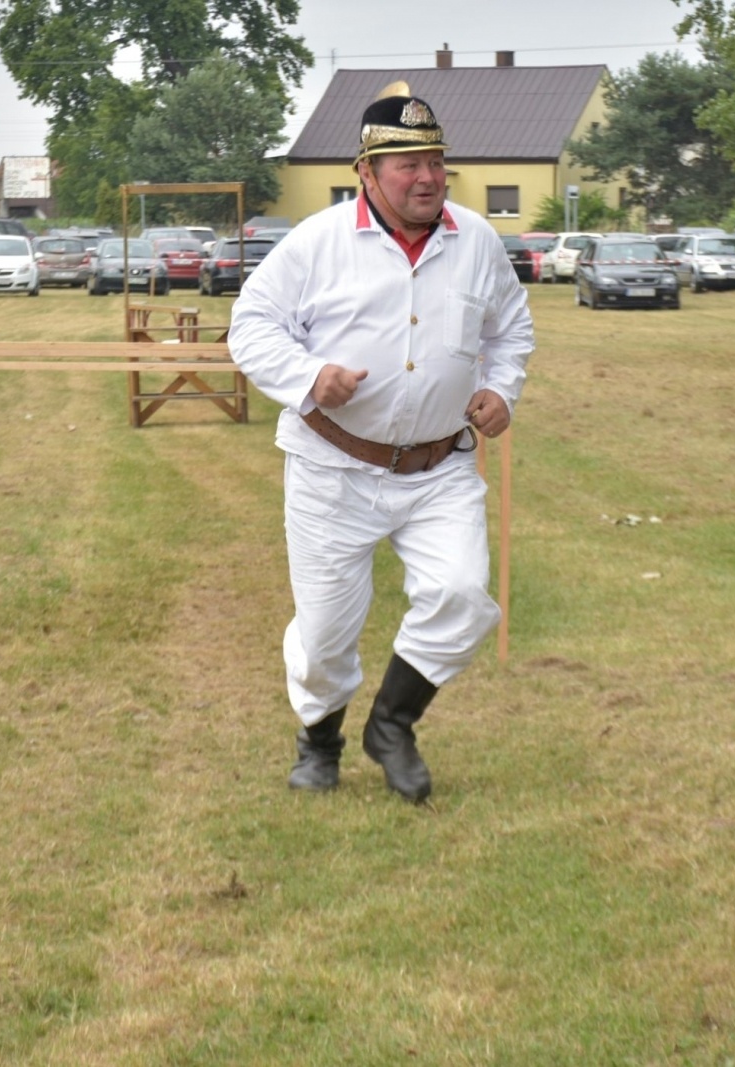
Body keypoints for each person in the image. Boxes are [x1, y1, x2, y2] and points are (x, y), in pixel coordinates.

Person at [229, 83, 534, 802]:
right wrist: (310, 377)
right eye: (408, 165)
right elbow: (251, 326)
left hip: (439, 467)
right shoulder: (318, 242)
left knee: (461, 596)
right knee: (327, 631)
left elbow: (510, 327)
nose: (428, 177)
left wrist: (502, 389)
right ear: (366, 172)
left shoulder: (476, 240)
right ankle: (319, 739)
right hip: (332, 467)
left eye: (436, 162)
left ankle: (392, 724)